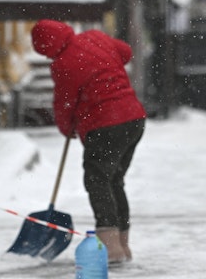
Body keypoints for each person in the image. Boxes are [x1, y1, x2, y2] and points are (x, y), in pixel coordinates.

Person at [31, 19, 147, 265]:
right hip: (133, 119)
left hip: (106, 124)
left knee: (98, 180)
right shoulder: (95, 37)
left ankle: (110, 246)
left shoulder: (63, 65)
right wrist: (102, 64)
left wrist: (65, 128)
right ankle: (122, 244)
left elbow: (65, 102)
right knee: (114, 179)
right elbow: (125, 52)